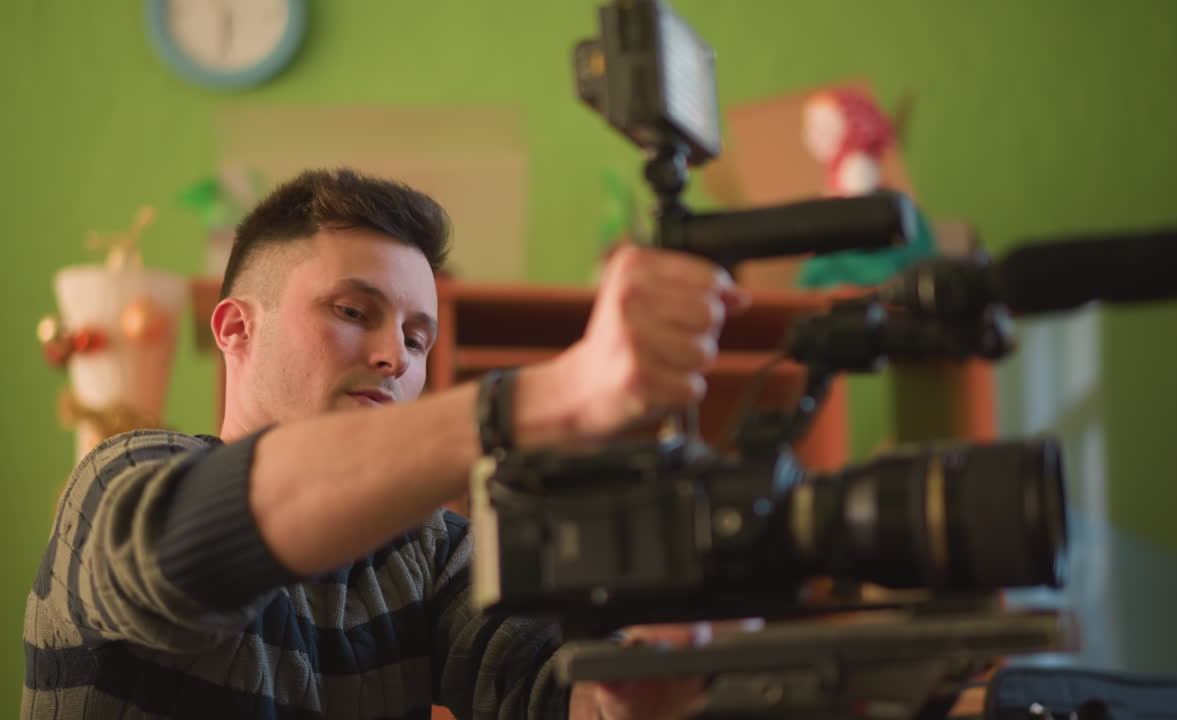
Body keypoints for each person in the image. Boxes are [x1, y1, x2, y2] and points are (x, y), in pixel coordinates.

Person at [23, 168, 750, 719]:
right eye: (351, 310)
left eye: (416, 335)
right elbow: (185, 548)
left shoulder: (429, 550)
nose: (395, 356)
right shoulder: (122, 475)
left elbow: (553, 692)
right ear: (234, 329)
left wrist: (644, 682)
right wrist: (548, 396)